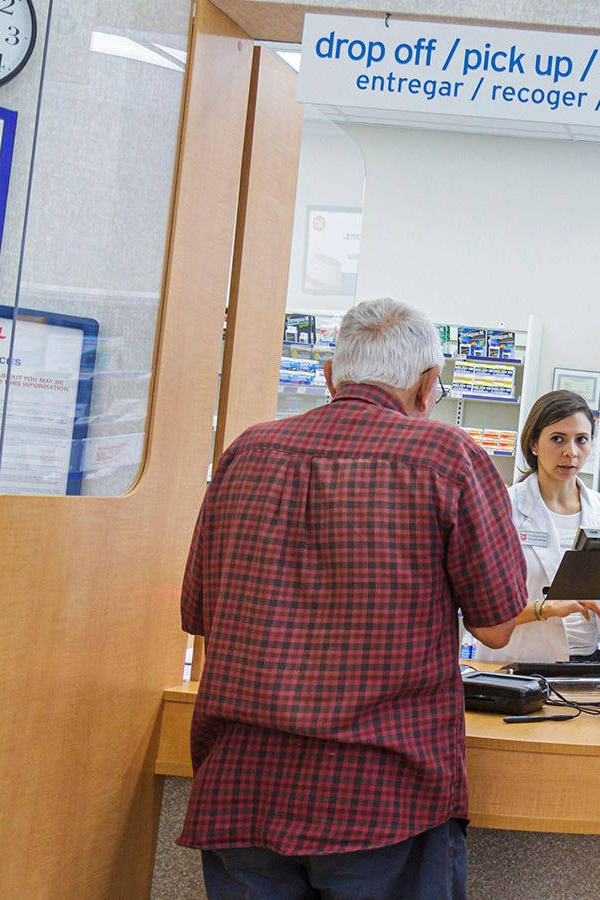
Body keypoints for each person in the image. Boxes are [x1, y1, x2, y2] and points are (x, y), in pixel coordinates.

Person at [178, 298, 526, 898]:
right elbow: (497, 627)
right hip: (382, 795)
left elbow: (200, 615)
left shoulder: (245, 453)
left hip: (242, 786)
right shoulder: (449, 458)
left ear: (332, 376)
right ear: (426, 386)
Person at [476, 390, 600, 663]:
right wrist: (546, 608)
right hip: (518, 663)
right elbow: (481, 609)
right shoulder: (501, 508)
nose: (571, 452)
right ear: (534, 443)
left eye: (581, 440)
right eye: (558, 439)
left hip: (591, 665)